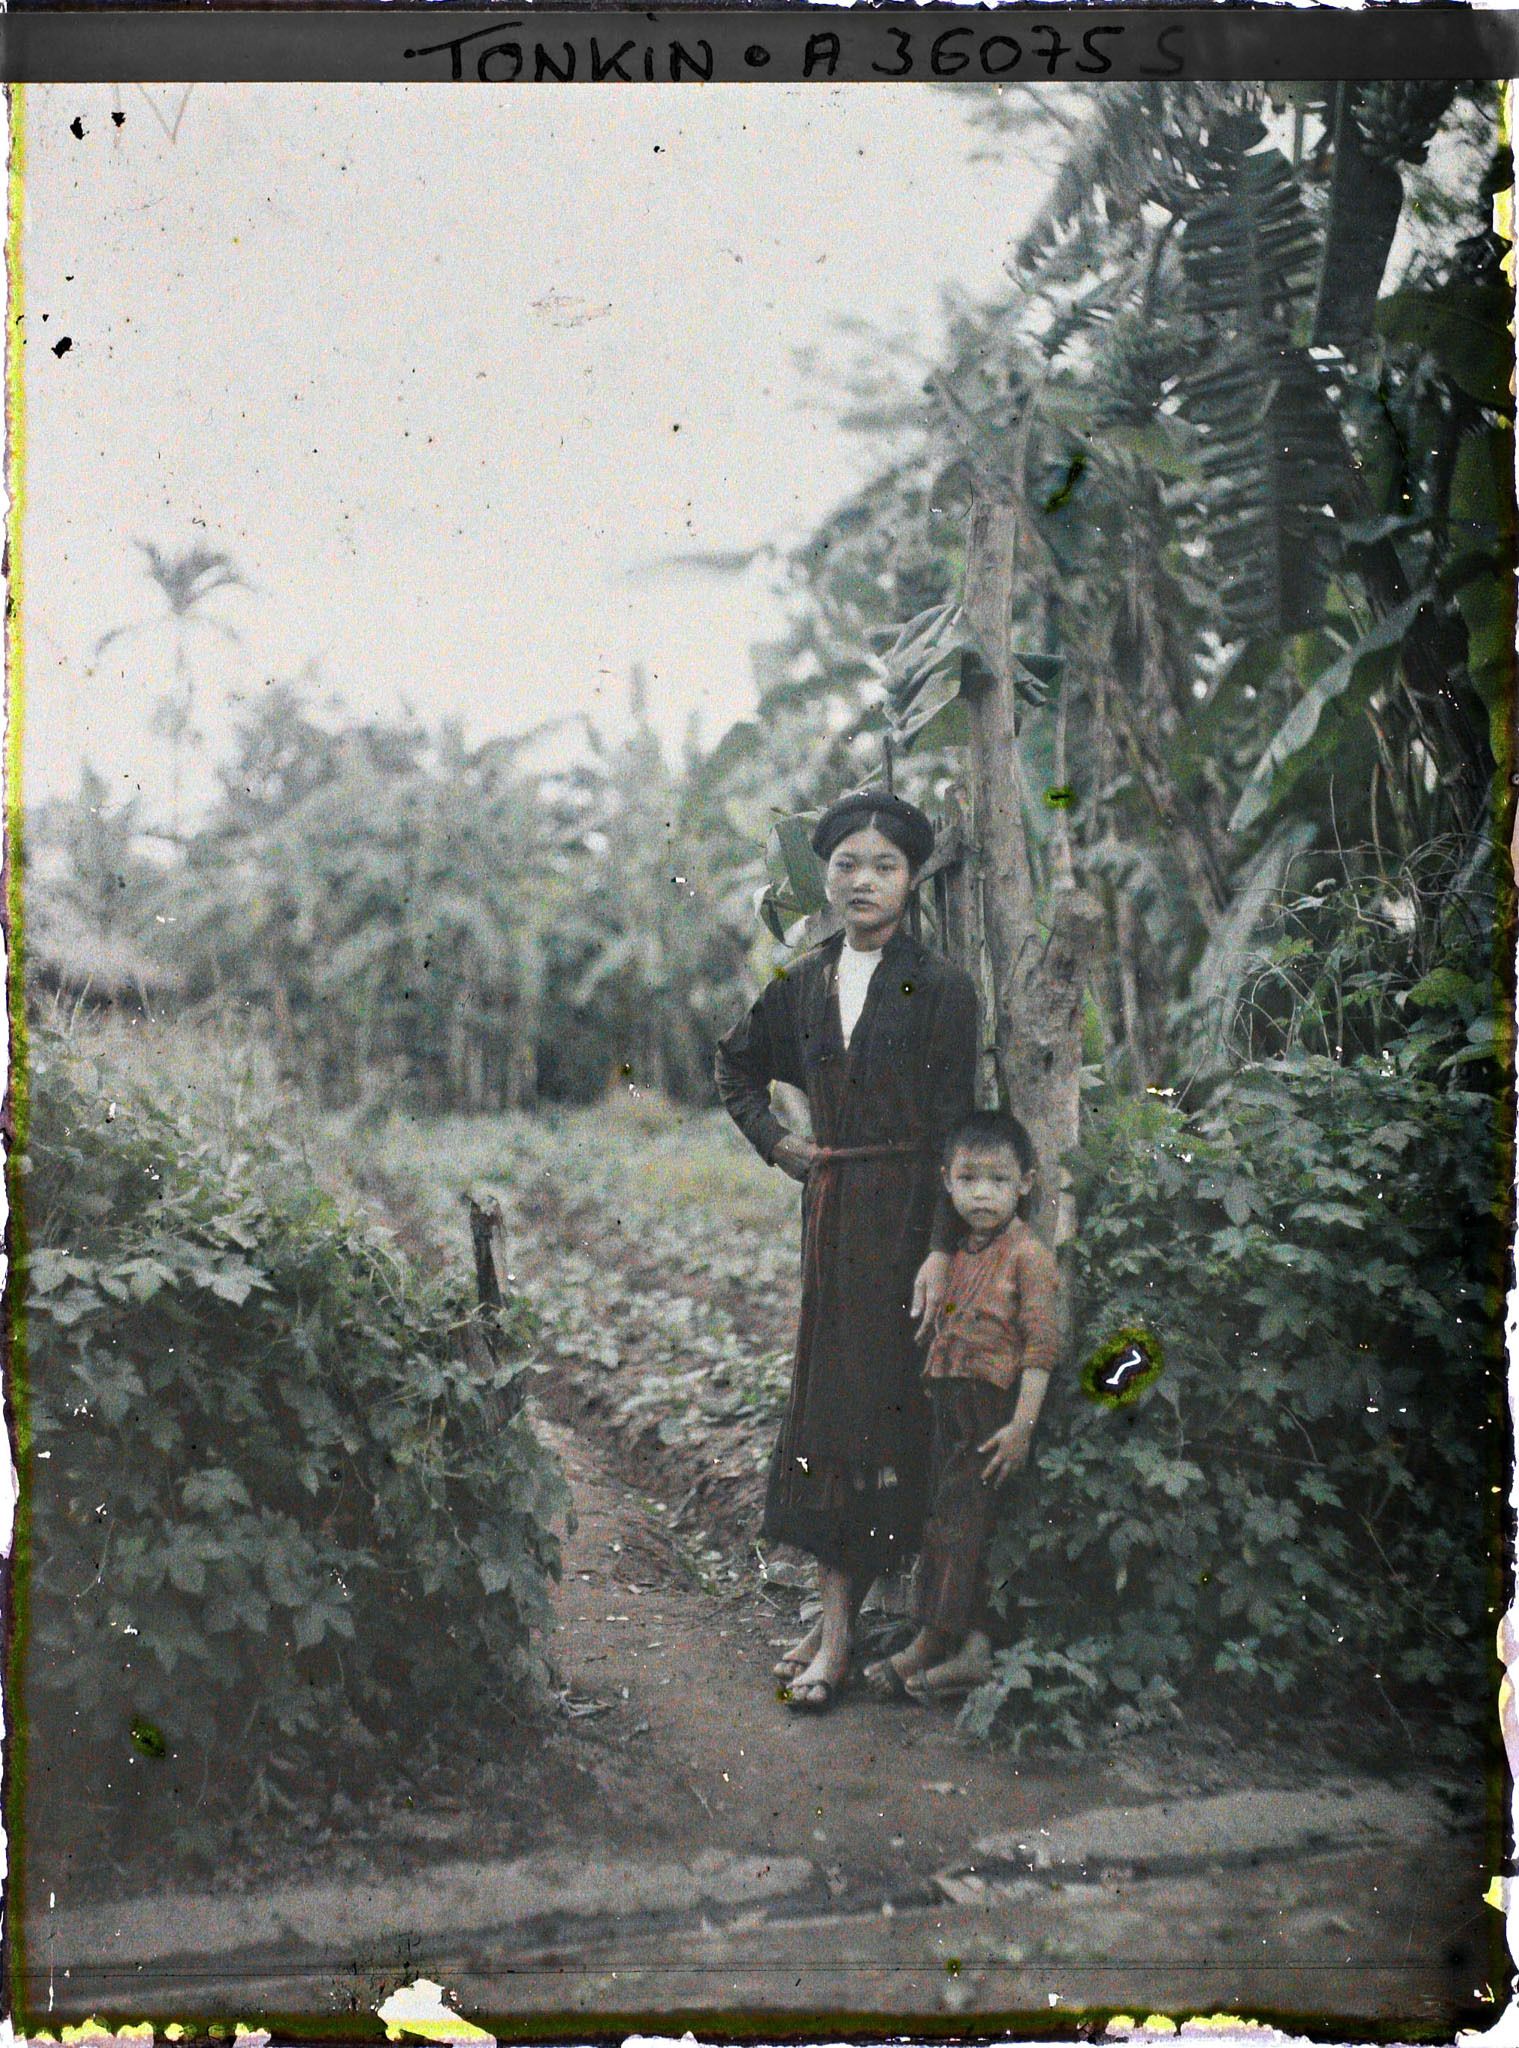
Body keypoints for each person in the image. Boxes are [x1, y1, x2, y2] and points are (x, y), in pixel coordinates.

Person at [714, 788, 979, 1713]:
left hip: (907, 1221)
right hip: (832, 1217)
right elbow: (734, 1065)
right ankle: (834, 1635)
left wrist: (942, 1251)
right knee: (828, 1418)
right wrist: (779, 1146)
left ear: (910, 881)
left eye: (884, 866)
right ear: (824, 877)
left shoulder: (940, 988)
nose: (862, 881)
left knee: (881, 1426)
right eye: (845, 865)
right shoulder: (803, 984)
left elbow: (953, 1129)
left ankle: (841, 1635)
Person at [864, 1109, 1059, 1705]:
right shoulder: (961, 1254)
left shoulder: (1028, 1255)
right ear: (946, 1182)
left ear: (1025, 1183)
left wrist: (1022, 1429)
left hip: (991, 1411)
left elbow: (1041, 1350)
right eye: (970, 1180)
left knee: (958, 1523)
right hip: (950, 1405)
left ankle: (930, 1640)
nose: (983, 1195)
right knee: (951, 1519)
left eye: (999, 1182)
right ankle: (970, 1649)